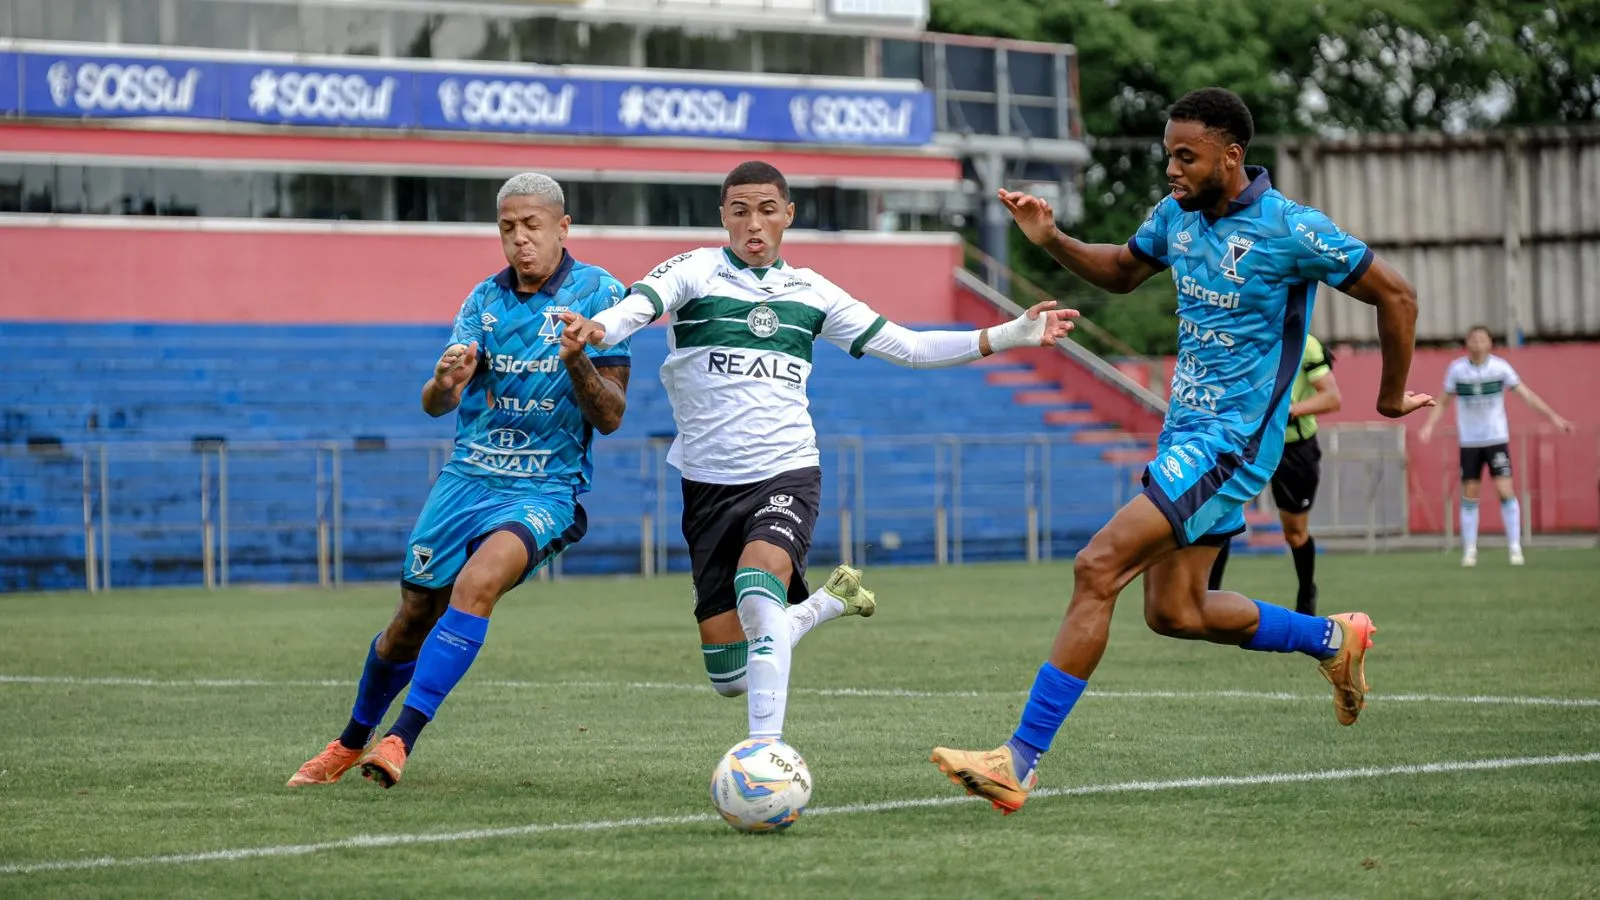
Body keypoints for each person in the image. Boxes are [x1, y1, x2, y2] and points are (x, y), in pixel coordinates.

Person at [928, 87, 1435, 815]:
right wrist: (1053, 240)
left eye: (1186, 156)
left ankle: (1018, 762)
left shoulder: (1291, 228)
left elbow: (1398, 295)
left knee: (1097, 566)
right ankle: (1332, 637)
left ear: (1231, 156)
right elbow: (1121, 270)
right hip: (1185, 437)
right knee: (1176, 612)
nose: (1171, 169)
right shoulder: (1177, 216)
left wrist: (1390, 397)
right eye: (1168, 155)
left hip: (1231, 445)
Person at [561, 161, 1075, 747]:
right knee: (730, 676)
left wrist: (1013, 333)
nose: (754, 224)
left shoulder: (812, 292)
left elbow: (910, 347)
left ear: (788, 215)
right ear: (723, 216)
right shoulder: (694, 270)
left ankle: (764, 754)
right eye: (740, 211)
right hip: (707, 485)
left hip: (787, 471)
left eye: (767, 210)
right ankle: (823, 605)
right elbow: (641, 305)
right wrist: (599, 329)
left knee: (759, 589)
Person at [286, 173, 632, 789]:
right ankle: (349, 742)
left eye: (532, 226)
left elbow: (610, 416)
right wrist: (445, 382)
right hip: (467, 479)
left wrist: (577, 359)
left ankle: (400, 738)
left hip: (544, 487)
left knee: (476, 584)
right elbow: (435, 403)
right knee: (413, 615)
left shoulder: (601, 294)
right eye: (508, 227)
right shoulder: (482, 301)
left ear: (562, 227)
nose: (520, 239)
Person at [1418, 325, 1574, 566]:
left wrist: (1554, 418)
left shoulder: (1500, 368)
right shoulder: (1457, 369)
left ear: (1490, 343)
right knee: (1470, 493)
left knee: (1505, 490)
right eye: (1473, 339)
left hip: (1496, 439)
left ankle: (1515, 547)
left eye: (1482, 339)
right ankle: (1470, 550)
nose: (1478, 344)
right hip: (1469, 441)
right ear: (1467, 343)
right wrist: (1429, 426)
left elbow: (1527, 395)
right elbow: (1443, 401)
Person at [1207, 333, 1341, 614]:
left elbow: (1332, 398)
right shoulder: (1244, 337)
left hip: (1294, 448)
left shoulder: (1305, 343)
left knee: (1295, 533)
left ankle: (1306, 595)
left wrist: (1289, 410)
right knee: (1222, 518)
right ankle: (1207, 600)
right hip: (1249, 444)